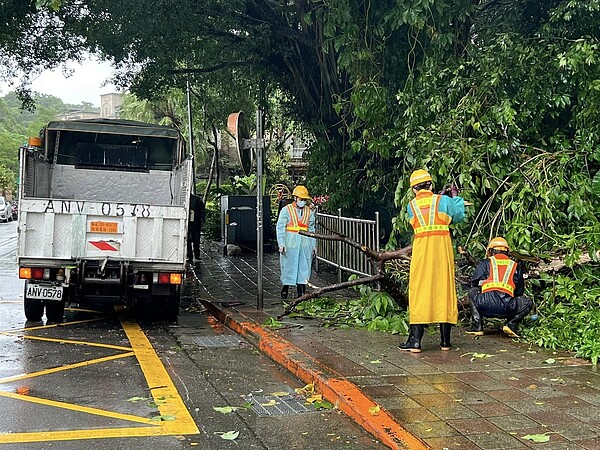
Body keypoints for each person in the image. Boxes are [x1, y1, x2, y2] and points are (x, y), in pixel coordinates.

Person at [399, 169, 465, 353]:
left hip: (421, 252)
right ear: (431, 185)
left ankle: (416, 342)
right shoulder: (443, 201)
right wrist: (455, 197)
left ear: (414, 190)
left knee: (419, 291)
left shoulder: (411, 206)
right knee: (444, 289)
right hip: (442, 251)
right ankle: (445, 342)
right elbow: (458, 215)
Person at [465, 237, 533, 338]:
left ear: (491, 251)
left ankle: (477, 326)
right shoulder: (515, 266)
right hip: (507, 308)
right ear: (507, 252)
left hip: (485, 305)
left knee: (472, 291)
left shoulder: (484, 263)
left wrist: (482, 289)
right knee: (527, 302)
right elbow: (519, 291)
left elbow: (474, 282)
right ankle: (511, 324)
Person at [276, 185, 316, 299]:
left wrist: (314, 246)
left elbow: (312, 229)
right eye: (301, 199)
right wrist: (281, 243)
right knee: (289, 266)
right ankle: (286, 287)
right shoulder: (286, 210)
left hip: (305, 243)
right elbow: (280, 227)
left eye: (304, 199)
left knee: (304, 266)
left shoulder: (309, 212)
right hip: (290, 243)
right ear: (295, 198)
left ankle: (301, 291)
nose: (303, 201)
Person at [187, 194, 206, 262]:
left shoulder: (196, 200)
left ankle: (190, 256)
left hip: (192, 223)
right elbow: (202, 211)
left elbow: (202, 211)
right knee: (195, 240)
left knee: (190, 240)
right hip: (194, 223)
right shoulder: (198, 199)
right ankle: (195, 256)